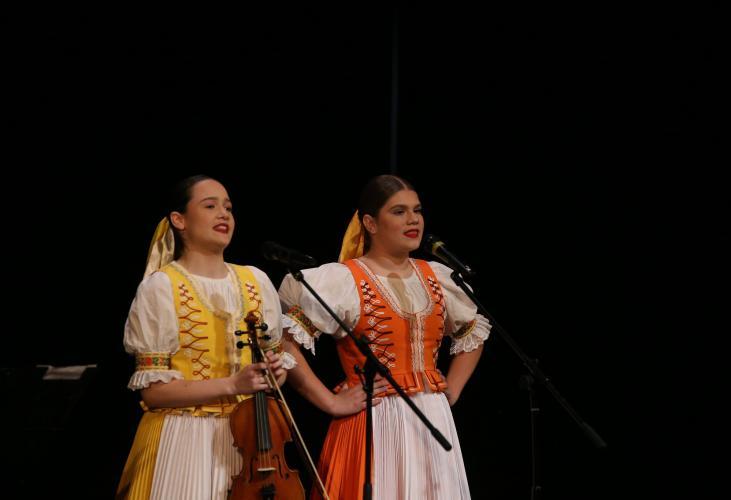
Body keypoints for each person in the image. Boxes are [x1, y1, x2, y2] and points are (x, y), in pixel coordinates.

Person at [279, 174, 491, 499]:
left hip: (433, 418)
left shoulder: (437, 276)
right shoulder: (344, 280)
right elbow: (285, 341)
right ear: (370, 223)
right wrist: (330, 402)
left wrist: (451, 390)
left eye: (417, 210)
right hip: (375, 419)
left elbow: (472, 332)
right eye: (399, 211)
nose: (413, 219)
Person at [116, 175, 296, 500]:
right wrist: (232, 385)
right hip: (185, 439)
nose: (223, 214)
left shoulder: (255, 280)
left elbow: (275, 370)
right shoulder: (162, 286)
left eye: (228, 207)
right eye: (210, 206)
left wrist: (274, 373)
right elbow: (153, 393)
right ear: (179, 220)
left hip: (251, 440)